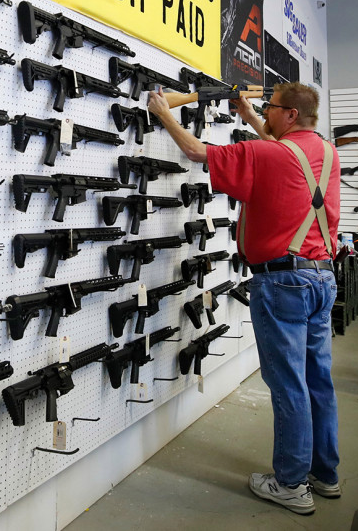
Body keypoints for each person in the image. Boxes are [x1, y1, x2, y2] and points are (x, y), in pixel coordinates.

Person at [146, 81, 341, 516]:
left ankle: (290, 483)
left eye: (271, 108)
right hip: (322, 278)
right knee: (317, 381)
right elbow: (283, 153)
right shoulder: (327, 154)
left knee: (288, 384)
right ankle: (324, 474)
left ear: (289, 115)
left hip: (283, 284)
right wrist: (251, 117)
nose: (264, 112)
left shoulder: (265, 153)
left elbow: (198, 152)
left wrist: (163, 112)